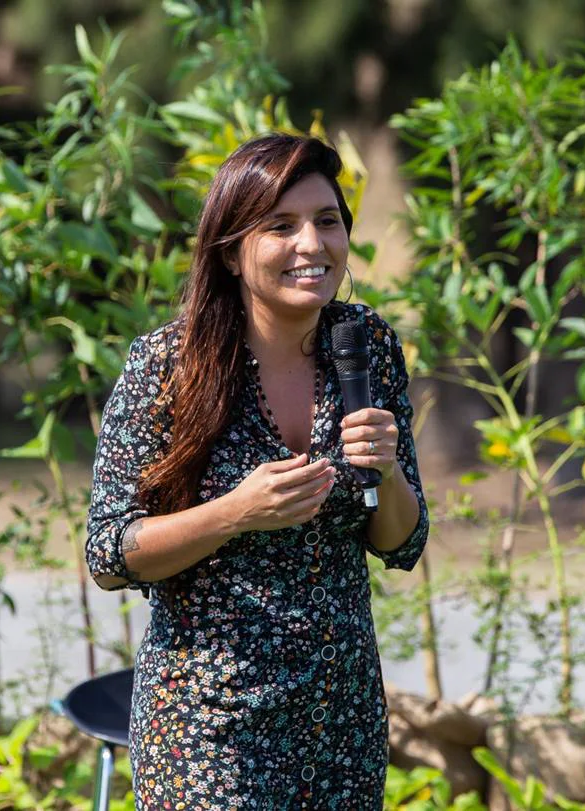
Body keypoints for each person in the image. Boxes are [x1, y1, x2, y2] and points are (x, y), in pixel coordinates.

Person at [85, 133, 430, 809]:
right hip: (209, 726)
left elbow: (400, 542)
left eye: (326, 221)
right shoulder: (167, 365)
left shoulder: (367, 346)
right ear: (231, 251)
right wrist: (234, 512)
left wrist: (385, 471)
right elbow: (108, 553)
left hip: (340, 719)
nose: (312, 244)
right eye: (280, 226)